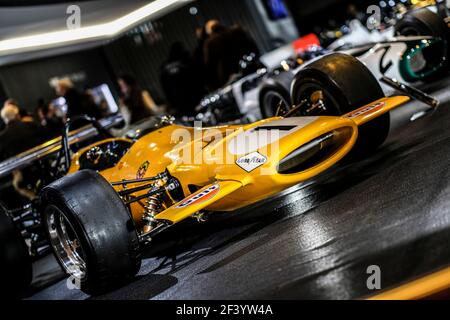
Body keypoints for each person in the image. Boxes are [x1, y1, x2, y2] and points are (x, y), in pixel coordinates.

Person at [203, 20, 260, 90]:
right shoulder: (236, 31)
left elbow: (210, 66)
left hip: (228, 77)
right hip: (250, 67)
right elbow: (253, 47)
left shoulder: (210, 42)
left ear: (209, 31)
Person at [160, 42, 204, 116]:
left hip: (178, 104)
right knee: (198, 118)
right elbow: (197, 78)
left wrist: (172, 103)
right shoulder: (186, 61)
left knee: (187, 121)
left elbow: (165, 88)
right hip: (193, 99)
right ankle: (198, 127)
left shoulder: (165, 68)